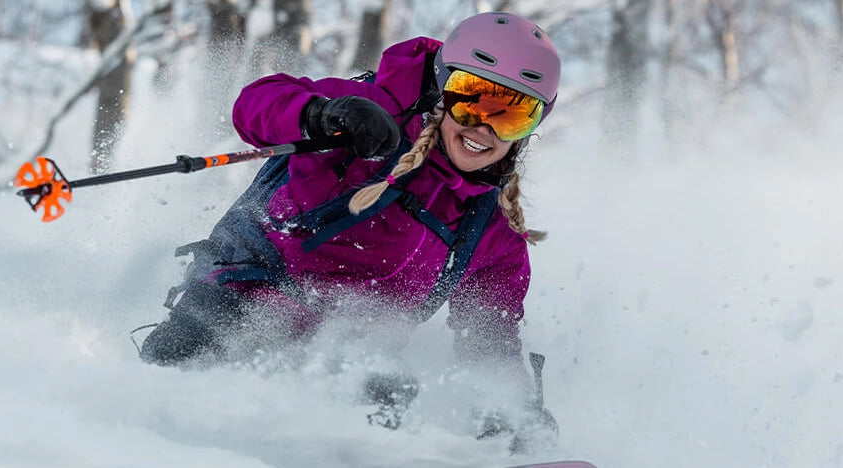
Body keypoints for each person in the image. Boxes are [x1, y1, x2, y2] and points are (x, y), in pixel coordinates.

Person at [136, 12, 561, 449]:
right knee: (185, 355)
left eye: (513, 114)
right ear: (441, 89)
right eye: (469, 99)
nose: (484, 127)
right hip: (248, 290)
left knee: (384, 394)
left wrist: (510, 409)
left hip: (352, 346)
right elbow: (256, 104)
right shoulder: (374, 117)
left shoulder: (491, 229)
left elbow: (490, 332)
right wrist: (319, 115)